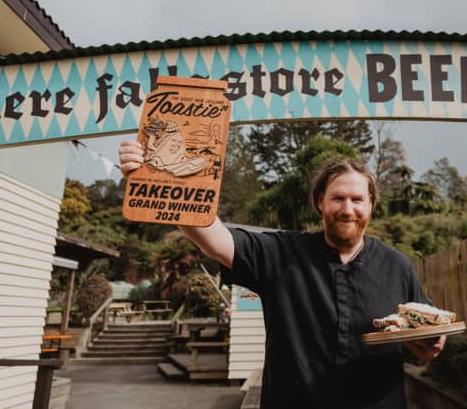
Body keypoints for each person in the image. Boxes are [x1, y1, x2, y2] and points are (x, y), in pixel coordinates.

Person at [119, 140, 446, 408]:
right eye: (337, 198)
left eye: (357, 199)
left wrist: (432, 343)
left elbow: (426, 332)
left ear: (371, 204)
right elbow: (215, 240)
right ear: (320, 202)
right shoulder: (280, 253)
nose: (348, 209)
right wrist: (158, 180)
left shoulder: (397, 265)